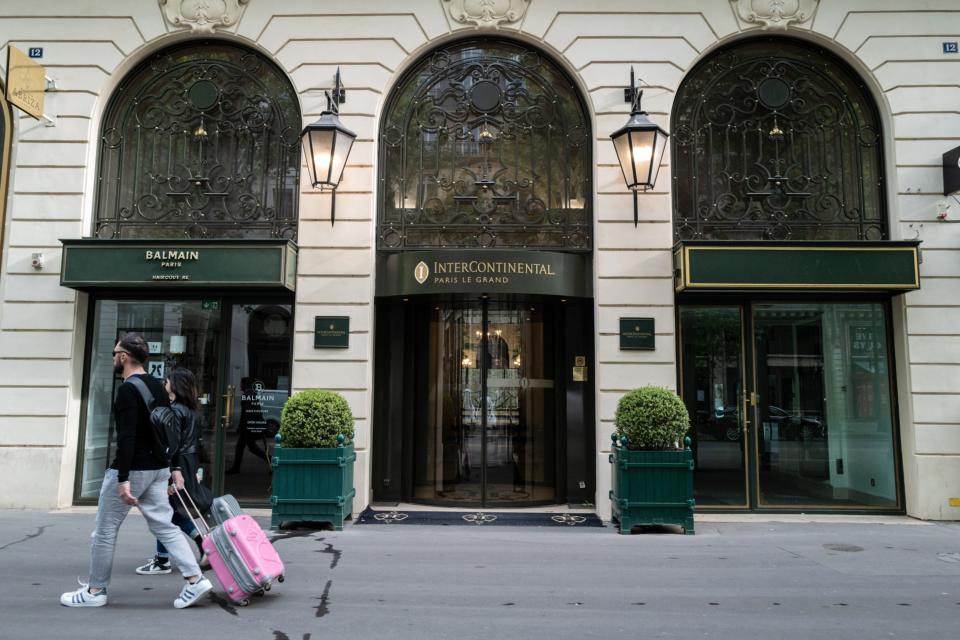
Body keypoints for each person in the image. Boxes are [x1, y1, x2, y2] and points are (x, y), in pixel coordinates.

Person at [60, 332, 212, 608]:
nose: (113, 359)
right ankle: (194, 579)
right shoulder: (157, 384)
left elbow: (126, 437)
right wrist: (174, 467)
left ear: (124, 356)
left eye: (115, 353)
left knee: (104, 531)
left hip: (136, 469)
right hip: (159, 468)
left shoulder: (128, 389)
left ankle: (95, 592)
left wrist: (123, 478)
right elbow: (172, 431)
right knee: (165, 526)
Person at [135, 367, 209, 575]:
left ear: (174, 384)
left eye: (167, 380)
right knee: (168, 510)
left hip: (177, 464)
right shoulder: (193, 409)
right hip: (189, 461)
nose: (164, 384)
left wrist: (169, 472)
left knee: (165, 512)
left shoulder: (175, 410)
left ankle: (197, 543)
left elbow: (171, 443)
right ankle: (162, 558)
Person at [225, 376, 269, 474]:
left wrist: (242, 427)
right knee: (246, 447)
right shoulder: (251, 394)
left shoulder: (248, 394)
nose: (240, 385)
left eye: (241, 384)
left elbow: (246, 413)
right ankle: (236, 468)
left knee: (249, 448)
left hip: (247, 427)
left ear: (245, 385)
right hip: (249, 426)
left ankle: (271, 461)